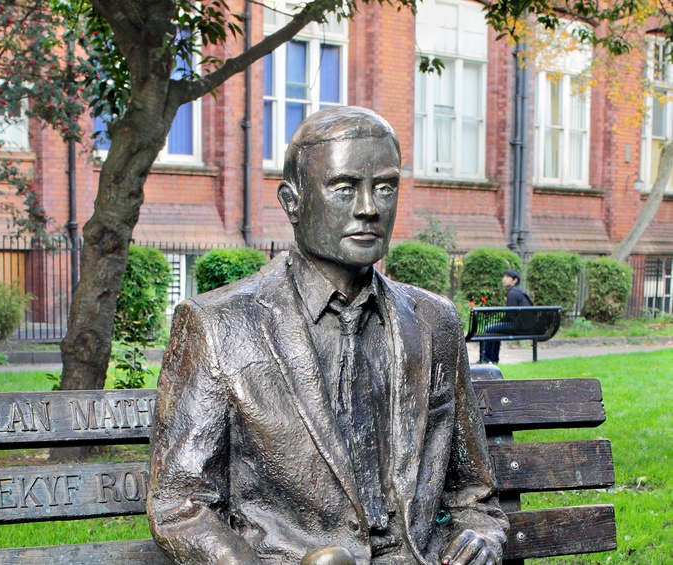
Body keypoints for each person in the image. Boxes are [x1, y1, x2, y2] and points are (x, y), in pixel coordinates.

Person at [148, 106, 507, 565]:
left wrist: (481, 535)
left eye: (384, 187)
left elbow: (474, 495)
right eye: (344, 188)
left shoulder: (435, 322)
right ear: (292, 202)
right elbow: (180, 505)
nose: (368, 208)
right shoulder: (218, 324)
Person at [479, 269, 534, 364]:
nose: (504, 279)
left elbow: (510, 314)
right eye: (504, 277)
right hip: (525, 325)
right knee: (495, 329)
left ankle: (487, 358)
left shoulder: (512, 293)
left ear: (515, 280)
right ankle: (493, 358)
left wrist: (500, 322)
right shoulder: (519, 291)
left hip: (519, 326)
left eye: (508, 277)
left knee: (489, 329)